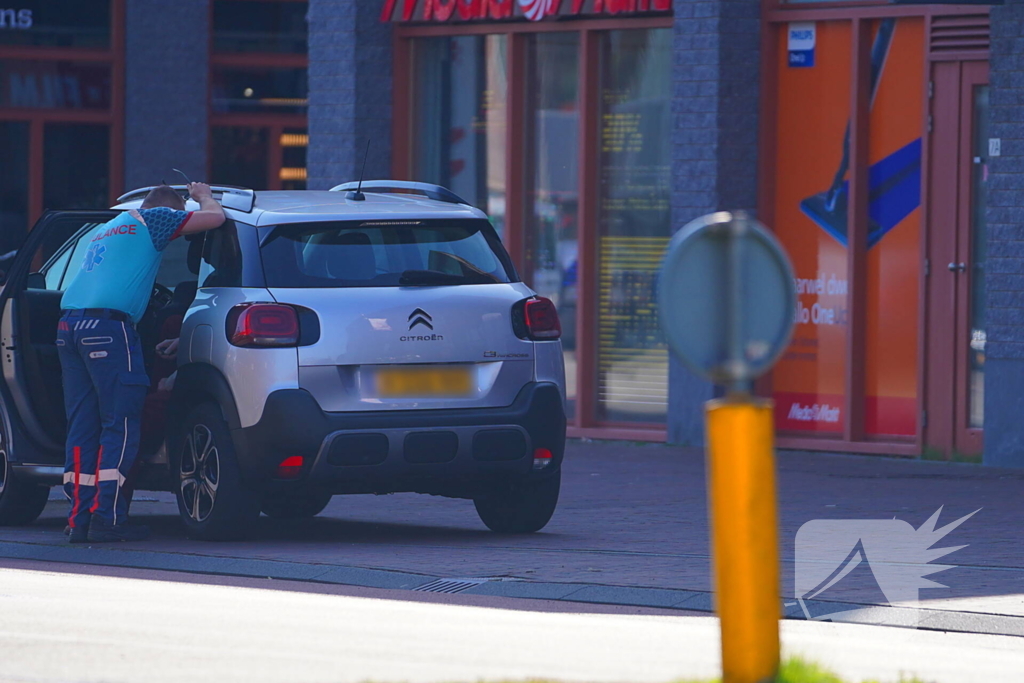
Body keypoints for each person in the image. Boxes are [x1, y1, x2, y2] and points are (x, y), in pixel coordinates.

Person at [58, 183, 226, 543]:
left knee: (82, 424)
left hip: (70, 326)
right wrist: (203, 195)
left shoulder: (108, 227)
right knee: (119, 422)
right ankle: (109, 519)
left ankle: (78, 520)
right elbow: (215, 218)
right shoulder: (154, 218)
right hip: (108, 328)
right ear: (170, 209)